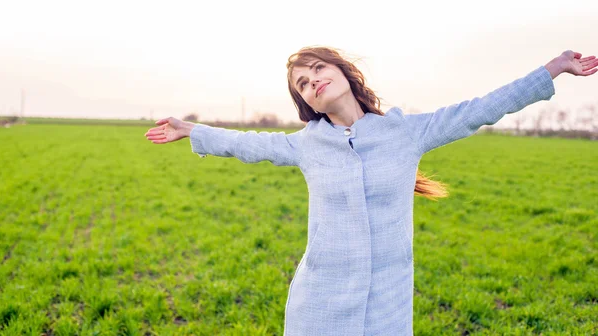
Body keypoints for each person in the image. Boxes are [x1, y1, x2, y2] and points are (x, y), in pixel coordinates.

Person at [144, 47, 597, 335]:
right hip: (318, 303)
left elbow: (480, 109)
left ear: (343, 72)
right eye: (303, 83)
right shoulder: (307, 145)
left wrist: (553, 68)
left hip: (386, 304)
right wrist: (192, 130)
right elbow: (248, 144)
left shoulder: (406, 132)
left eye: (318, 69)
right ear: (308, 102)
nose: (313, 80)